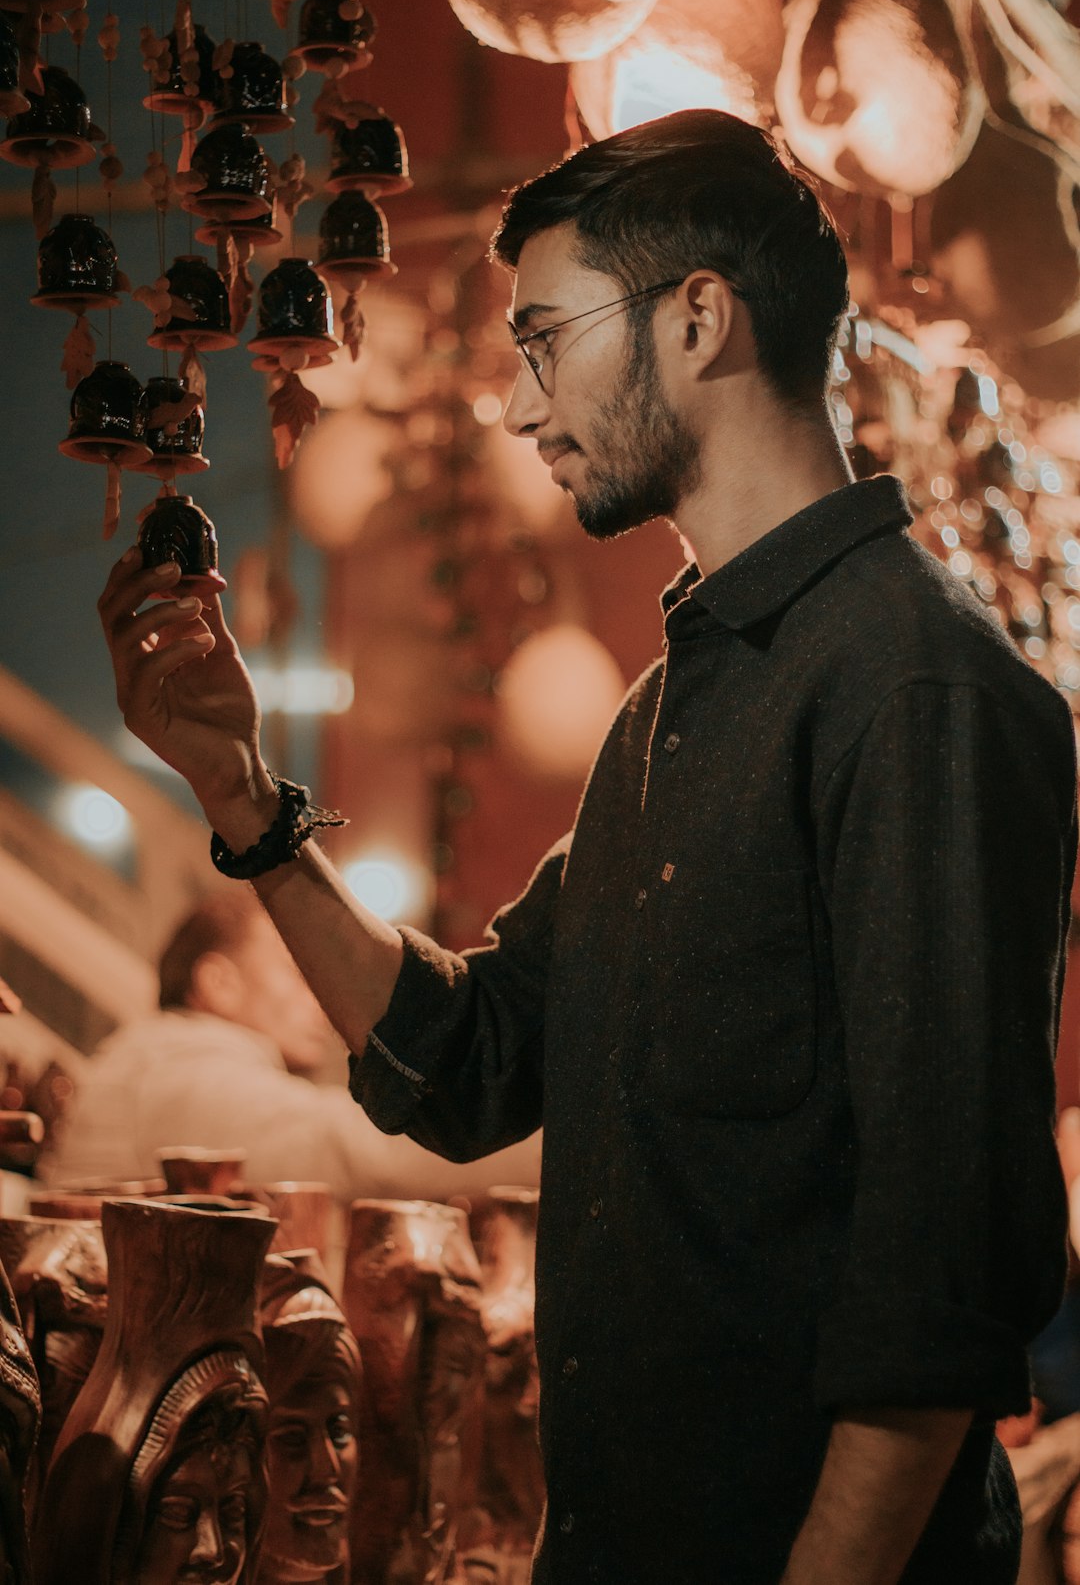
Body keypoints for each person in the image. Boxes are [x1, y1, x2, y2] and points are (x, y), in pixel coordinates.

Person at [97, 109, 1077, 1585]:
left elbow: (939, 1281)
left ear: (698, 320)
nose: (516, 406)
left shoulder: (916, 691)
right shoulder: (667, 713)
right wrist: (243, 799)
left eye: (545, 338)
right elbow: (471, 1057)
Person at [45, 890, 541, 1204]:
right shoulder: (178, 1071)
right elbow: (358, 1156)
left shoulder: (158, 1056)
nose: (324, 1001)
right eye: (301, 974)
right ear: (219, 983)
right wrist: (568, 1139)